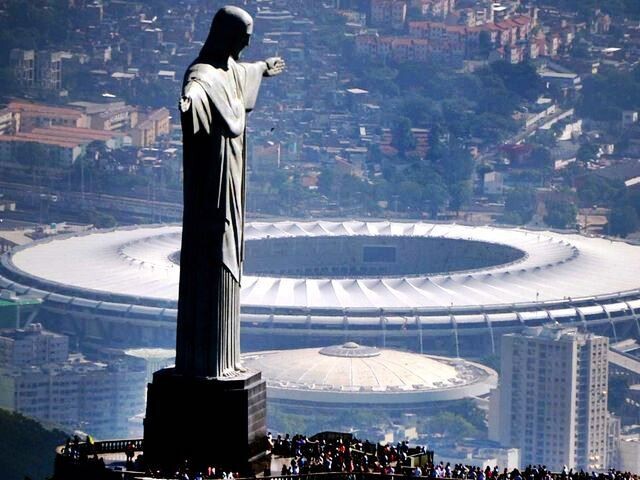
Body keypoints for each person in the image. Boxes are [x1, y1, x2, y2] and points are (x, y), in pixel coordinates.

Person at [175, 5, 285, 378]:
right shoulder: (202, 76)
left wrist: (263, 68)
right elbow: (199, 88)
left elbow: (241, 72)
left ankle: (226, 360)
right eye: (242, 40)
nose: (245, 46)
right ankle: (207, 363)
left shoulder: (231, 70)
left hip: (233, 181)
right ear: (226, 37)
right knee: (211, 259)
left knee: (231, 257)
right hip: (214, 187)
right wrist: (190, 102)